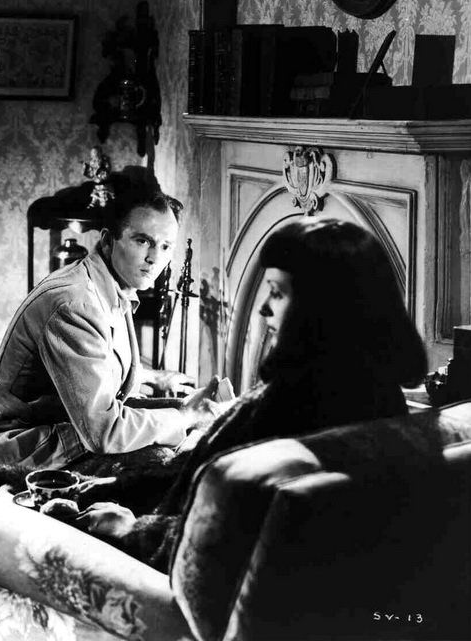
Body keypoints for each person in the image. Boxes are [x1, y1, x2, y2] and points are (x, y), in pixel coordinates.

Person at [76, 217, 428, 572]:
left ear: (319, 307)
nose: (263, 309)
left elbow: (220, 539)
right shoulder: (380, 396)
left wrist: (130, 528)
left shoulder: (287, 406)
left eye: (276, 292)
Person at [0, 185, 215, 482]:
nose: (154, 258)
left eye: (165, 246)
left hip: (61, 429)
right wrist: (185, 416)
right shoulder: (75, 305)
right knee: (163, 467)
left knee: (179, 430)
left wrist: (170, 395)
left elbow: (102, 377)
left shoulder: (110, 285)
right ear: (108, 240)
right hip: (13, 446)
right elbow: (104, 431)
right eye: (142, 241)